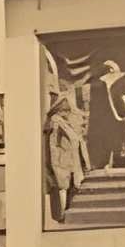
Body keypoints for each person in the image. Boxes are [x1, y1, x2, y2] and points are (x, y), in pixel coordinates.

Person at [42, 85, 88, 223]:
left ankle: (66, 214)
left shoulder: (64, 121)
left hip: (68, 160)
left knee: (69, 187)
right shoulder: (56, 121)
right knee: (62, 188)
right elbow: (55, 144)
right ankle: (61, 216)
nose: (68, 112)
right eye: (66, 110)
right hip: (61, 160)